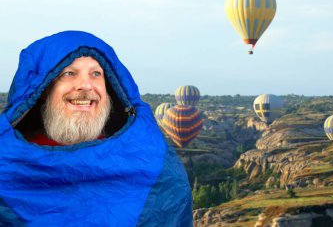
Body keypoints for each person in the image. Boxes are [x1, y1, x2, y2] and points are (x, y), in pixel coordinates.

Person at [0, 31, 193, 226]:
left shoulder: (155, 164)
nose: (85, 85)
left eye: (96, 74)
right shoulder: (6, 164)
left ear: (110, 88)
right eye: (69, 73)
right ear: (42, 89)